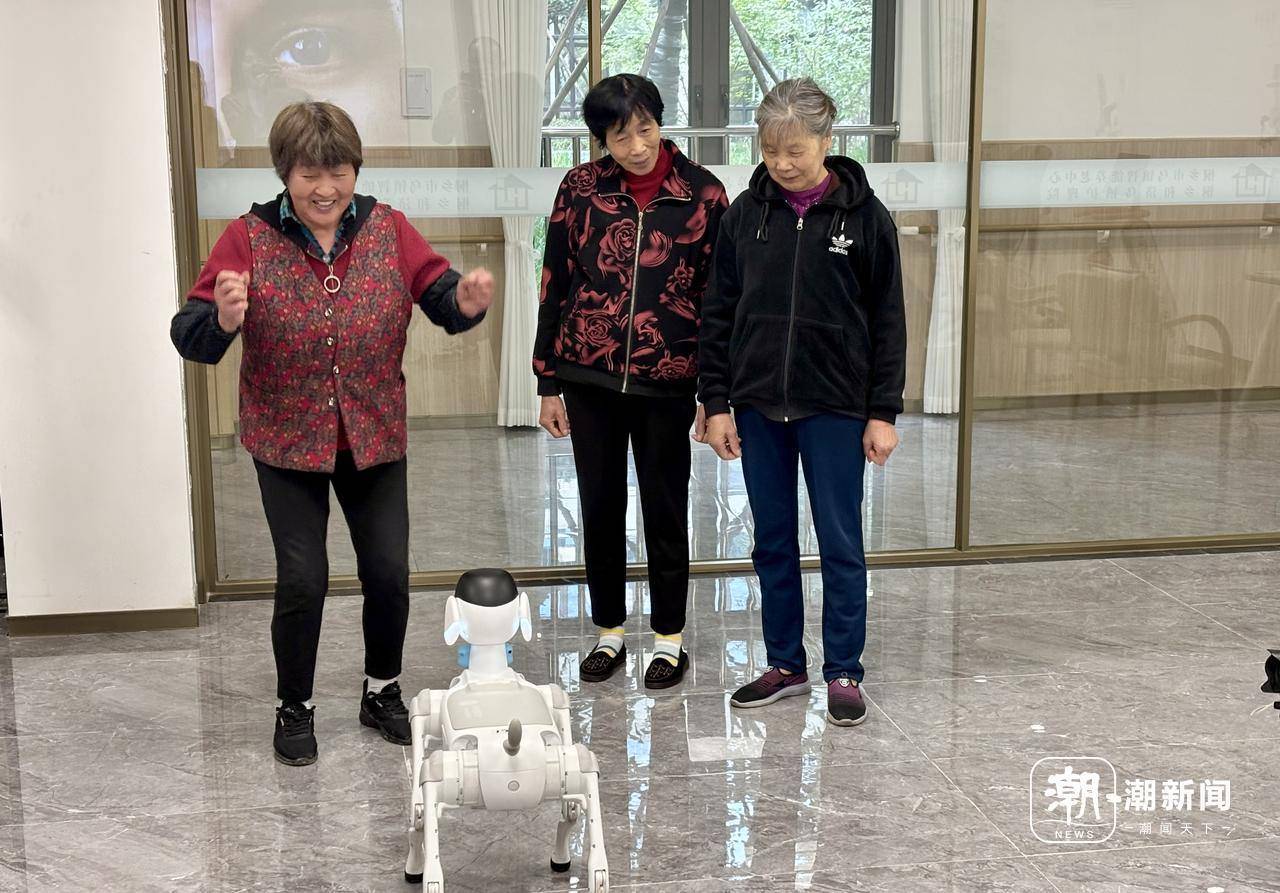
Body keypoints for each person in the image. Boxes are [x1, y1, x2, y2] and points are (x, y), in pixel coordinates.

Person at [171, 101, 493, 765]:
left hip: (374, 434)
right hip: (286, 440)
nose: (325, 189)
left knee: (388, 571)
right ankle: (295, 704)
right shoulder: (248, 237)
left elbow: (440, 294)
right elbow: (189, 336)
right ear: (285, 174)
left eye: (338, 171)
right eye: (309, 174)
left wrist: (463, 301)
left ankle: (381, 689)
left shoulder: (388, 228)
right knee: (302, 578)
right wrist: (224, 318)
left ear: (355, 170)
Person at [698, 78, 906, 727]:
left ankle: (843, 669)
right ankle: (785, 664)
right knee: (772, 542)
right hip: (759, 404)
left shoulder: (866, 218)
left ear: (826, 139)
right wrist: (716, 402)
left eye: (796, 150)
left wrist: (883, 412)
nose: (783, 163)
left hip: (836, 406)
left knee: (841, 542)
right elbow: (718, 313)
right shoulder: (745, 214)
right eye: (771, 150)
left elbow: (889, 320)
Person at [533, 74, 727, 689]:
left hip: (668, 379)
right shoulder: (580, 188)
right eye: (621, 137)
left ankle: (669, 639)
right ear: (603, 139)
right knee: (599, 505)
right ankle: (609, 632)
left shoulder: (703, 194)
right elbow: (554, 280)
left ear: (661, 123)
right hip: (587, 375)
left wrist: (713, 393)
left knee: (665, 509)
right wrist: (547, 380)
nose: (637, 146)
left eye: (646, 129)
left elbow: (719, 301)